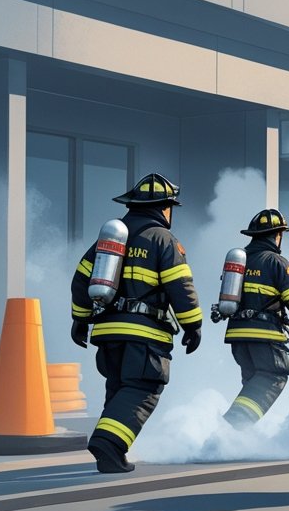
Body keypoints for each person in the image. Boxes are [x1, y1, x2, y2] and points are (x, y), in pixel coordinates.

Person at [70, 173, 202, 473]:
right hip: (144, 333)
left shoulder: (108, 240)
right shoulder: (163, 239)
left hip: (106, 331)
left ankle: (110, 456)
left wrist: (80, 319)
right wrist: (193, 325)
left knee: (118, 388)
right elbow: (180, 286)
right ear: (163, 208)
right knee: (143, 388)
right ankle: (109, 443)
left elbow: (80, 280)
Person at [216, 208, 289, 426]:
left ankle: (236, 433)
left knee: (252, 382)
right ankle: (232, 426)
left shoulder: (241, 260)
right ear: (277, 235)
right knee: (272, 376)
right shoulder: (277, 262)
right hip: (264, 334)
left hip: (238, 335)